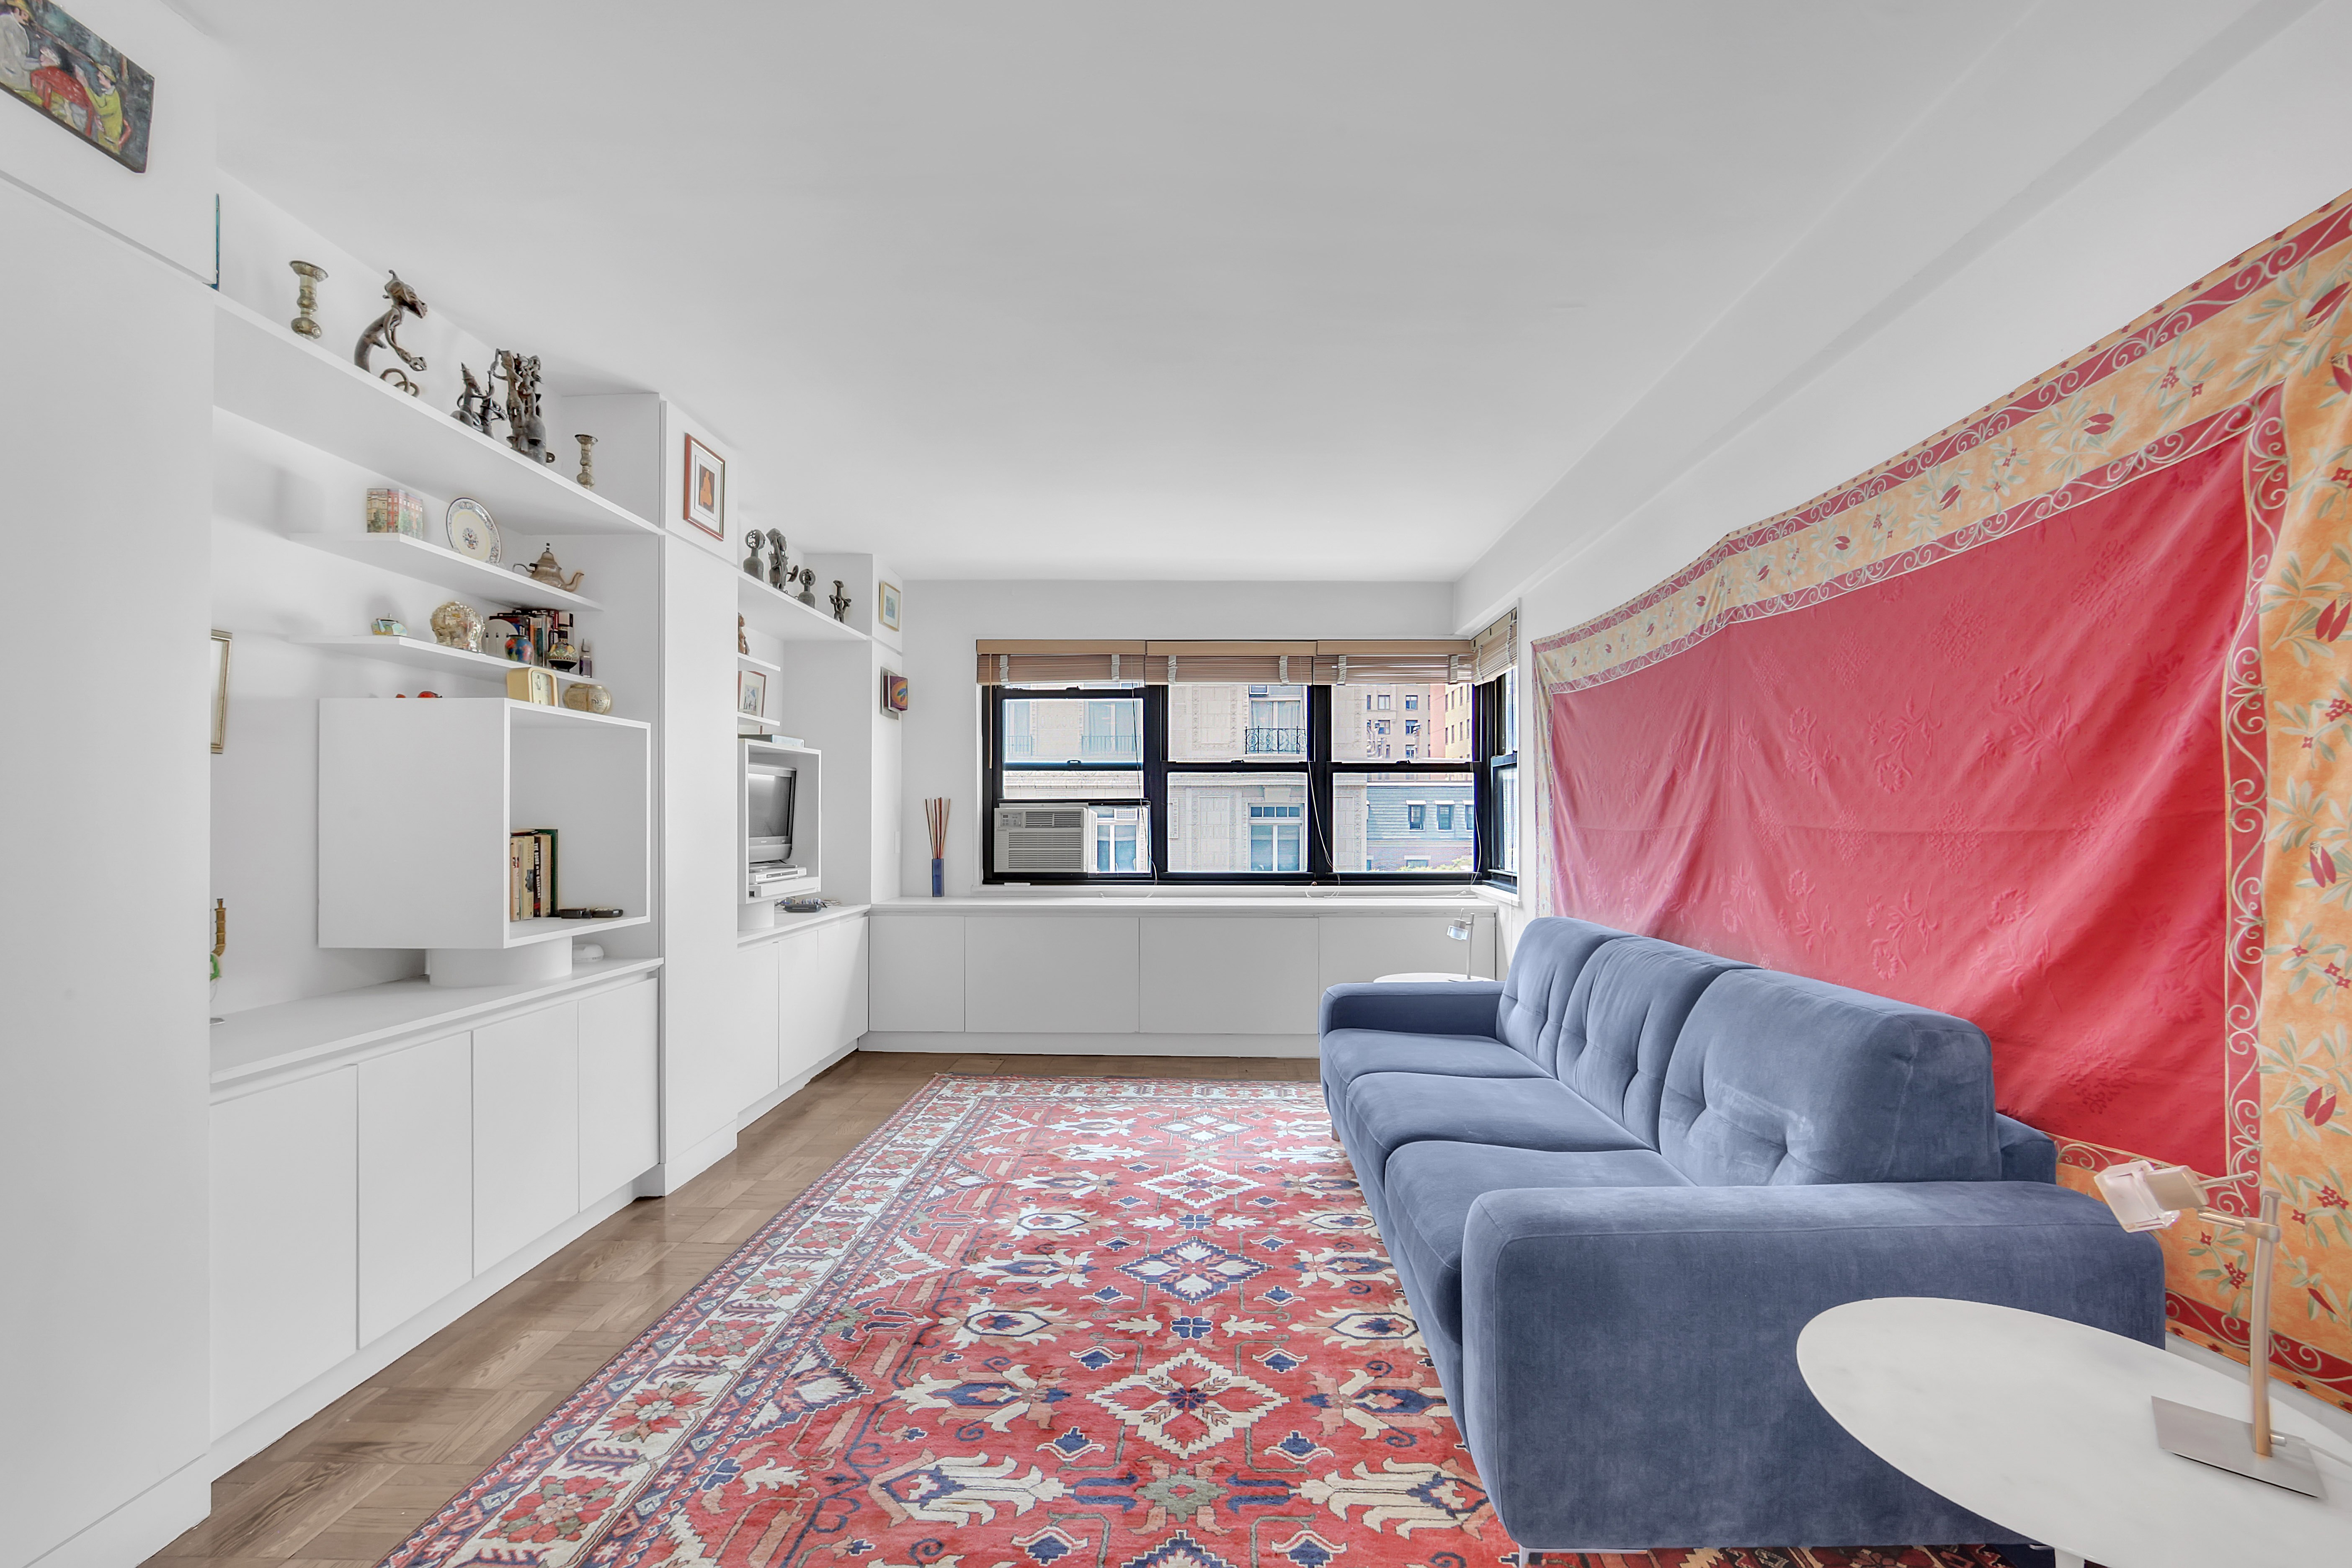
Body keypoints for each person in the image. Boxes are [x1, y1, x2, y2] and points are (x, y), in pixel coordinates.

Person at [28, 42, 89, 134]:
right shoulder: (47, 74)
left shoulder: (52, 74)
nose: (41, 58)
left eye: (45, 56)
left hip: (72, 112)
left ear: (52, 59)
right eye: (41, 55)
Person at [85, 59, 124, 150]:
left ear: (109, 80)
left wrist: (86, 88)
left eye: (101, 75)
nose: (98, 76)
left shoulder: (114, 96)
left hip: (112, 140)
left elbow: (102, 110)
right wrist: (86, 86)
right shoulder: (107, 94)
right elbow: (99, 101)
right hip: (103, 134)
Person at [0, 2, 35, 95]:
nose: (27, 19)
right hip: (11, 79)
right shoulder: (11, 27)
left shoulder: (5, 20)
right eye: (24, 15)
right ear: (16, 11)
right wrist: (42, 64)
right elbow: (22, 62)